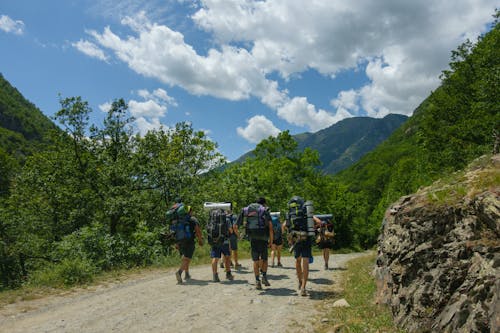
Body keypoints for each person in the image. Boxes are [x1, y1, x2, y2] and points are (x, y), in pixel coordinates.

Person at [285, 196, 318, 296]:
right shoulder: (306, 213)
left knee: (298, 260)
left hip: (295, 238)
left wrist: (289, 238)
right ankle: (303, 287)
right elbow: (318, 222)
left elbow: (284, 226)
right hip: (306, 237)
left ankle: (299, 282)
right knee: (306, 261)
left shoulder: (290, 214)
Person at [238, 197, 273, 290]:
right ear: (264, 204)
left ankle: (257, 280)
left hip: (253, 237)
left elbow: (236, 225)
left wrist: (239, 235)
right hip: (264, 237)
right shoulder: (264, 210)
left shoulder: (248, 210)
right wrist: (271, 240)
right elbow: (270, 227)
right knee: (264, 259)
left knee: (255, 260)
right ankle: (264, 277)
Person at [169, 202, 203, 284]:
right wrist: (200, 240)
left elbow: (174, 232)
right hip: (189, 241)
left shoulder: (178, 220)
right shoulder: (193, 219)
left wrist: (176, 243)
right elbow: (198, 230)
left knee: (185, 257)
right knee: (187, 258)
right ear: (190, 212)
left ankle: (187, 274)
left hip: (180, 241)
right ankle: (180, 272)